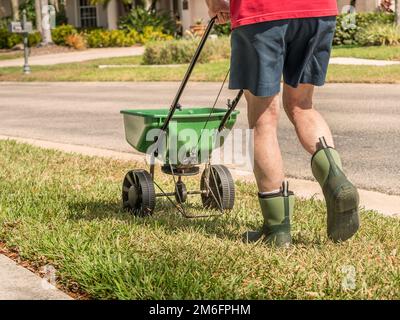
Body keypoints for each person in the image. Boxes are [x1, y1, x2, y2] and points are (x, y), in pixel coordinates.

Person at [205, 0, 360, 247]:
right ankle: (336, 180)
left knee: (263, 119)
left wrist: (215, 4)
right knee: (302, 105)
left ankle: (277, 229)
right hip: (317, 11)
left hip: (261, 12)